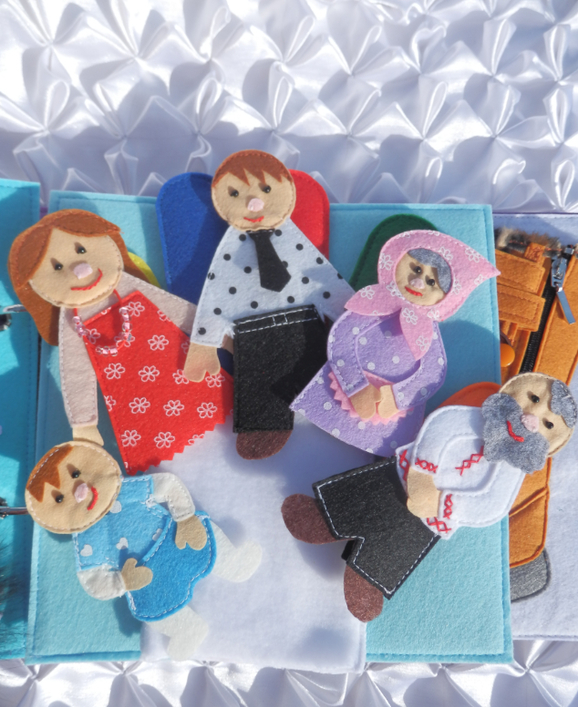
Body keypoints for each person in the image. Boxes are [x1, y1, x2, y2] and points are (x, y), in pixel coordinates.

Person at [282, 372, 577, 621]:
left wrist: (443, 503)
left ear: (551, 443)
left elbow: (490, 503)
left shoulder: (512, 472)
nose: (531, 419)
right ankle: (323, 517)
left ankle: (367, 579)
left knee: (394, 547)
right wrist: (423, 475)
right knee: (367, 495)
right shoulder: (473, 419)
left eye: (548, 424)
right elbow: (441, 430)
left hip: (430, 519)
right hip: (403, 477)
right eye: (533, 399)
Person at [8, 210, 233, 474]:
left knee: (226, 422)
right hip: (138, 407)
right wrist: (84, 423)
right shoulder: (71, 322)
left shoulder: (128, 286)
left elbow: (179, 312)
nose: (80, 269)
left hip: (187, 375)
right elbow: (77, 374)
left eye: (81, 250)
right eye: (56, 267)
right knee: (172, 465)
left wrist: (223, 338)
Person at [183, 149, 354, 459]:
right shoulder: (230, 246)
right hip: (253, 334)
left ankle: (341, 415)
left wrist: (352, 318)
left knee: (318, 377)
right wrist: (204, 344)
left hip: (302, 324)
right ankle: (266, 428)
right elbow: (216, 294)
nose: (254, 203)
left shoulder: (292, 238)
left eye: (265, 189)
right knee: (261, 389)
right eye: (236, 194)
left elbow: (321, 277)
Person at [24, 440, 261, 660]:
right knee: (153, 606)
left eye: (75, 474)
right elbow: (93, 580)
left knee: (202, 535)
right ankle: (188, 630)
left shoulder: (125, 491)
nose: (80, 491)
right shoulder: (88, 538)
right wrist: (123, 582)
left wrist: (185, 518)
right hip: (144, 577)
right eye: (59, 499)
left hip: (173, 540)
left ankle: (234, 564)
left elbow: (168, 485)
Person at [291, 230, 499, 456]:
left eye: (431, 282)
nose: (417, 282)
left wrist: (396, 397)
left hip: (391, 416)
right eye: (416, 269)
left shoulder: (426, 330)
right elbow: (343, 338)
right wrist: (356, 385)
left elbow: (430, 373)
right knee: (305, 444)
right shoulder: (374, 305)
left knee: (382, 456)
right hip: (337, 390)